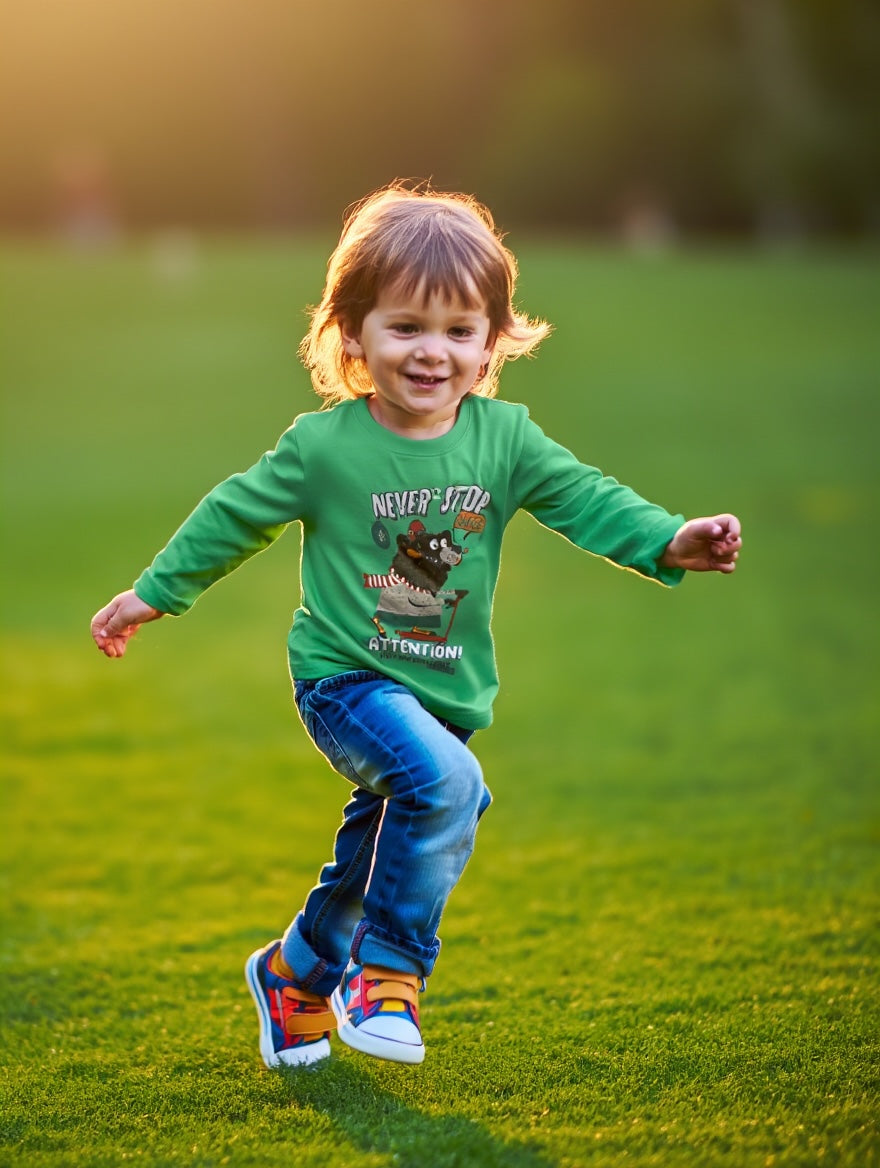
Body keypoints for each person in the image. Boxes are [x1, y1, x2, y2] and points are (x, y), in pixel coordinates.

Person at [91, 182, 742, 1070]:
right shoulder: (324, 448)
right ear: (353, 335)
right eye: (407, 328)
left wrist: (668, 539)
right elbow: (232, 514)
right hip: (346, 679)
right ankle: (388, 975)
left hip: (447, 689)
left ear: (491, 342)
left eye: (458, 330)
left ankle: (295, 975)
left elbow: (587, 497)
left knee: (388, 843)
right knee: (448, 786)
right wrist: (152, 593)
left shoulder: (505, 439)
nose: (433, 352)